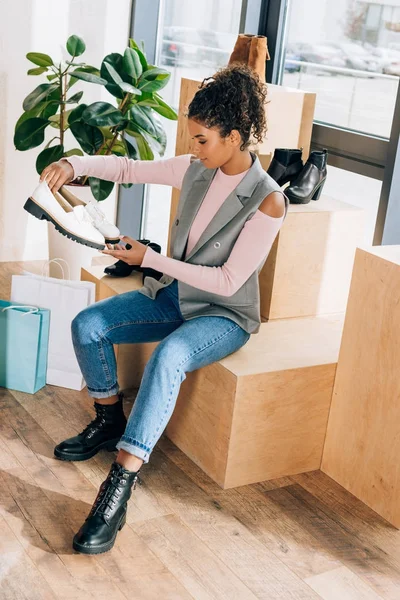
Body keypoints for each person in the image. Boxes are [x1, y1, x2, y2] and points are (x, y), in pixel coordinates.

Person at [40, 64, 288, 555]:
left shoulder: (269, 201)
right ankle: (109, 420)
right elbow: (131, 170)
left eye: (201, 140)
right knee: (89, 323)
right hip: (175, 296)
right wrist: (75, 164)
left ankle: (118, 487)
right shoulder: (200, 168)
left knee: (170, 356)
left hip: (223, 316)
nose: (193, 150)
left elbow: (227, 281)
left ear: (234, 137)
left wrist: (149, 259)